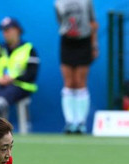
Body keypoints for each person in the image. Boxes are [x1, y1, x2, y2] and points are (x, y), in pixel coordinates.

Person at [0, 17, 39, 119]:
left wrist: (12, 78)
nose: (5, 33)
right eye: (3, 30)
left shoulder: (29, 49)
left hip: (19, 86)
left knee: (11, 90)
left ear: (17, 30)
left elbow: (32, 74)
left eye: (7, 30)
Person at [55, 0, 98, 134]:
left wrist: (94, 45)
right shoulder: (58, 3)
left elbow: (93, 23)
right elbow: (61, 22)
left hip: (84, 41)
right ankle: (70, 122)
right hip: (67, 42)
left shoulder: (87, 1)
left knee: (80, 82)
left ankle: (80, 122)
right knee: (69, 82)